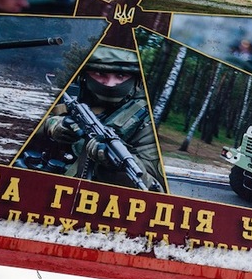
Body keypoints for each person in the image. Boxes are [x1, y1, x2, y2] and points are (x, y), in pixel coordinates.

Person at [40, 46, 164, 191]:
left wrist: (116, 167)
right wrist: (51, 125)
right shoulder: (67, 97)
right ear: (84, 75)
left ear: (136, 80)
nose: (110, 84)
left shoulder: (145, 122)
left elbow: (155, 189)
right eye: (100, 73)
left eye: (120, 76)